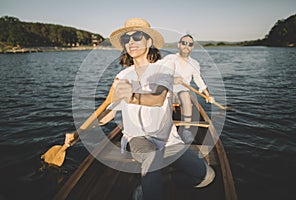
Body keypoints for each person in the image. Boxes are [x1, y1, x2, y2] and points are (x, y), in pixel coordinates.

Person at [68, 18, 215, 200]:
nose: (131, 42)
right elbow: (109, 112)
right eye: (126, 39)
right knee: (151, 158)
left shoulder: (163, 70)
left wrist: (132, 97)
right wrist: (81, 131)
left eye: (137, 36)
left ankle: (158, 183)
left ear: (149, 41)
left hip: (168, 140)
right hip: (138, 138)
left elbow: (158, 99)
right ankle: (149, 190)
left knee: (206, 177)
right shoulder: (121, 76)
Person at [163, 34, 214, 144]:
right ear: (179, 45)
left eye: (190, 44)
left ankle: (186, 130)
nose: (187, 46)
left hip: (183, 91)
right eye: (184, 43)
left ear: (192, 47)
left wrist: (206, 94)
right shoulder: (169, 59)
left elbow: (198, 79)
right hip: (169, 88)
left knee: (185, 95)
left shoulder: (195, 63)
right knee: (167, 96)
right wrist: (172, 78)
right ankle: (165, 129)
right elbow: (160, 74)